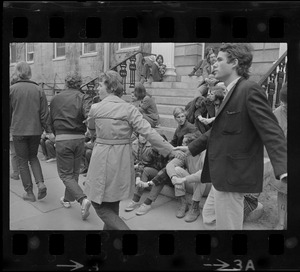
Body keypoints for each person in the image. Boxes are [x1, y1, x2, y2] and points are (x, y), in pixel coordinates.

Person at [175, 43, 287, 230]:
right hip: (220, 174)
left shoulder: (249, 89)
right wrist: (191, 147)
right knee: (210, 218)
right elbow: (218, 129)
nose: (214, 64)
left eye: (219, 60)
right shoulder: (229, 92)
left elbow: (271, 129)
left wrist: (283, 168)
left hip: (233, 176)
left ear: (234, 62)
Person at [84, 70, 184, 230]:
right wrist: (171, 150)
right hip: (122, 159)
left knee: (99, 205)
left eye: (100, 84)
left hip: (102, 157)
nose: (97, 88)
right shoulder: (129, 109)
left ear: (109, 86)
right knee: (112, 204)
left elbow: (91, 131)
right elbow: (150, 132)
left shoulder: (96, 108)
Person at [50, 71, 93, 220]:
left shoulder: (56, 98)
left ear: (66, 83)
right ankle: (67, 199)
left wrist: (56, 137)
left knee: (65, 174)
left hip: (63, 137)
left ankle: (82, 199)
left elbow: (50, 121)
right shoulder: (83, 97)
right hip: (79, 138)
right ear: (79, 84)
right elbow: (89, 117)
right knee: (73, 173)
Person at [10, 61, 53, 202]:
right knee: (33, 157)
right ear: (29, 73)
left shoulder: (12, 89)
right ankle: (40, 183)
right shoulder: (38, 89)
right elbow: (44, 113)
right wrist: (48, 130)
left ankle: (29, 193)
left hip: (18, 130)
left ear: (18, 72)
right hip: (35, 131)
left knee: (22, 161)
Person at [166, 132, 211, 222]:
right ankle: (183, 202)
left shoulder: (204, 153)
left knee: (200, 176)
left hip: (206, 186)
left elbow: (203, 174)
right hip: (193, 184)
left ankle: (195, 206)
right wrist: (174, 178)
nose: (182, 145)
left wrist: (183, 179)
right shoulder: (185, 154)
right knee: (177, 170)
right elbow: (170, 165)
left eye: (184, 143)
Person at [125, 133, 170, 215]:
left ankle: (147, 203)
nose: (152, 146)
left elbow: (166, 171)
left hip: (170, 176)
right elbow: (143, 164)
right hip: (157, 172)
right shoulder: (152, 150)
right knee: (145, 170)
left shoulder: (170, 152)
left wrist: (149, 183)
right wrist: (138, 177)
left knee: (160, 175)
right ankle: (135, 199)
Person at [272, 82, 288, 230]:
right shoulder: (277, 113)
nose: (285, 106)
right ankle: (281, 221)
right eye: (284, 102)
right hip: (284, 157)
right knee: (283, 190)